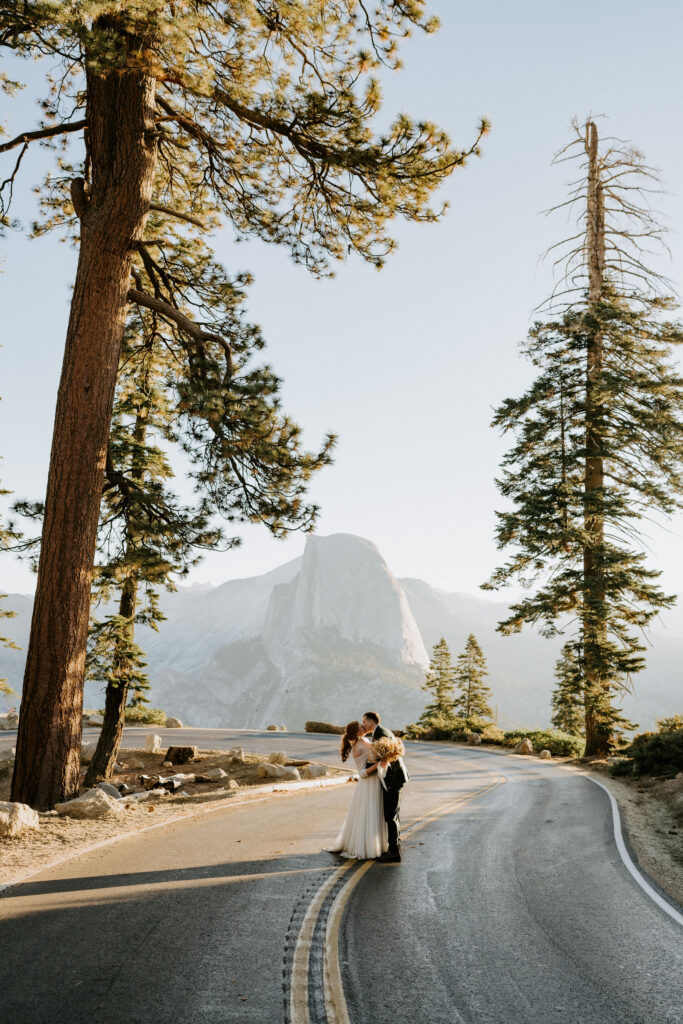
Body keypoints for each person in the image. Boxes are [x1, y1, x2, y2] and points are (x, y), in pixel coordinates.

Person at [329, 720, 388, 860]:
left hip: (376, 781)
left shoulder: (365, 740)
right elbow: (362, 773)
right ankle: (367, 847)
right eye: (361, 726)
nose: (364, 726)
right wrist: (378, 764)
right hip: (368, 785)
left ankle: (378, 844)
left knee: (377, 812)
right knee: (369, 814)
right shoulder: (357, 747)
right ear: (357, 732)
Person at [362, 711, 408, 863]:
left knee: (391, 816)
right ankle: (395, 849)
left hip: (393, 779)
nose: (363, 724)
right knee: (393, 815)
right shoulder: (382, 731)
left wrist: (367, 769)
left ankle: (394, 852)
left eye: (364, 721)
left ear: (371, 722)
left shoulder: (381, 733)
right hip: (394, 778)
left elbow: (385, 758)